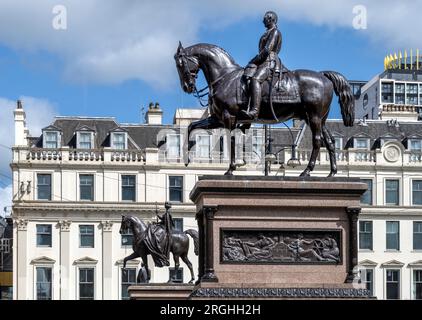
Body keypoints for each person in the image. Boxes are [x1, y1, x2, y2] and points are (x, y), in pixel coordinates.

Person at [240, 11, 283, 120]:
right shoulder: (268, 32)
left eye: (264, 18)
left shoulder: (275, 32)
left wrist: (254, 60)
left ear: (270, 19)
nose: (263, 20)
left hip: (269, 62)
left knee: (255, 79)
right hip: (263, 61)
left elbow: (267, 50)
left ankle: (254, 111)